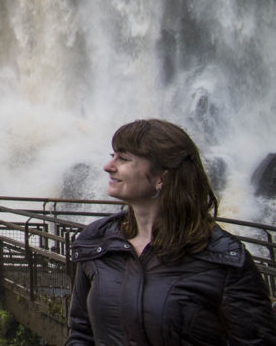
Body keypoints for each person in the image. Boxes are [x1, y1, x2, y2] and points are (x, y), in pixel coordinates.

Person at [66, 118, 276, 345]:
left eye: (124, 159)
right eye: (112, 156)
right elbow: (81, 333)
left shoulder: (224, 259)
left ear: (161, 177)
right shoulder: (97, 241)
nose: (108, 166)